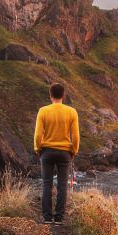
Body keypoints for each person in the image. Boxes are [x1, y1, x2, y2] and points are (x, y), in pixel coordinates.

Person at [33, 83, 80, 224]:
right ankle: (59, 218)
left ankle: (47, 218)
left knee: (46, 184)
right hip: (65, 152)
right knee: (62, 185)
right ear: (63, 96)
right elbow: (76, 136)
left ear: (50, 95)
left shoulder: (43, 111)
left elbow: (37, 135)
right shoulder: (72, 112)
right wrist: (74, 151)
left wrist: (38, 149)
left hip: (46, 151)